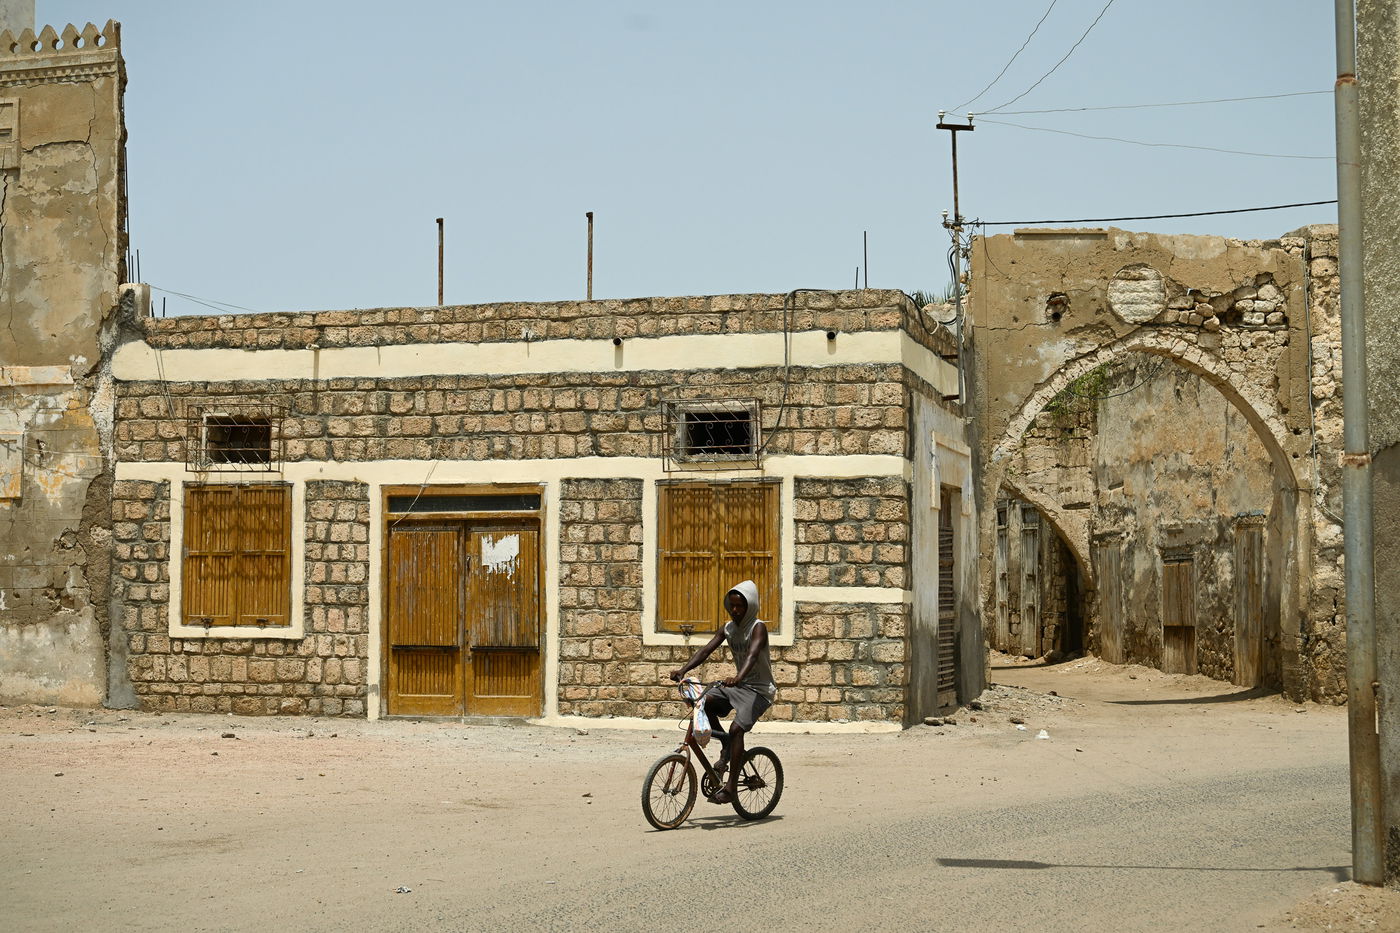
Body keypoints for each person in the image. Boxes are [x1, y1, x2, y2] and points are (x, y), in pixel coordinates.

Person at [668, 579, 777, 804]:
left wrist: (739, 677)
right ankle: (727, 745)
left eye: (740, 606)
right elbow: (707, 649)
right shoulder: (728, 628)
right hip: (738, 686)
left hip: (759, 691)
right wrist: (683, 669)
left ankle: (730, 789)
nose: (735, 610)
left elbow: (753, 655)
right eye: (732, 606)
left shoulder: (758, 627)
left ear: (751, 606)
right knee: (702, 700)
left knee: (737, 728)